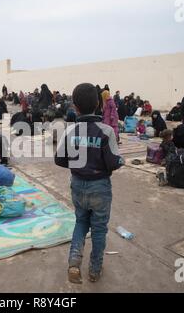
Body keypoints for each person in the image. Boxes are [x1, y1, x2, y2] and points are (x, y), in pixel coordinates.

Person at [55, 83, 123, 284]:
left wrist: (77, 165)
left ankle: (74, 261)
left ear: (75, 107)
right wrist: (120, 161)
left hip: (77, 185)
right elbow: (113, 162)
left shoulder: (70, 131)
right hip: (100, 186)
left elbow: (59, 159)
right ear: (98, 105)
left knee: (81, 222)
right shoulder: (106, 131)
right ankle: (94, 269)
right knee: (99, 228)